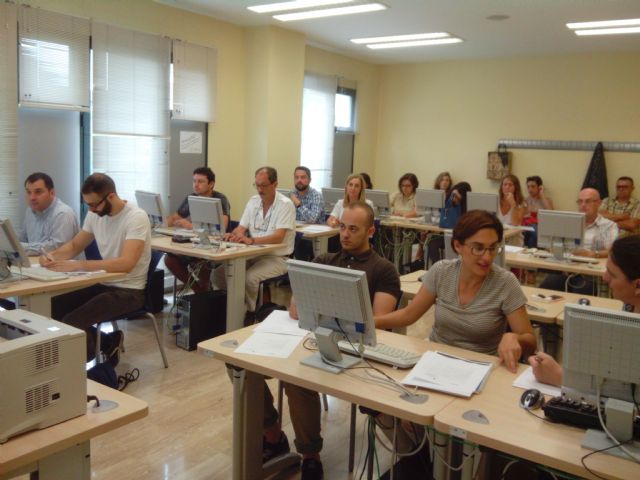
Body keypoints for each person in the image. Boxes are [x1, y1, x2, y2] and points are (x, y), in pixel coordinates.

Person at [261, 201, 401, 479]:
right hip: (317, 341)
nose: (345, 234)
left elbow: (378, 322)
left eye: (353, 229)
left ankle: (309, 455)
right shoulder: (324, 261)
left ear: (370, 231)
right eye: (342, 227)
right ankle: (273, 435)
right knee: (241, 367)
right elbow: (296, 307)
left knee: (297, 379)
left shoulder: (383, 270)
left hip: (357, 354)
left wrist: (325, 311)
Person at [376, 210, 537, 370]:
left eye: (493, 248)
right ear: (457, 245)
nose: (487, 257)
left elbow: (530, 341)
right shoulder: (441, 271)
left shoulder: (505, 282)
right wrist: (372, 322)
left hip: (481, 367)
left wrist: (515, 338)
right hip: (436, 359)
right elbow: (409, 314)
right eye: (478, 248)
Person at [41, 173, 151, 365]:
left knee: (72, 322)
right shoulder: (95, 214)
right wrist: (52, 257)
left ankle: (82, 365)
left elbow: (126, 263)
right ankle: (107, 343)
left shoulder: (136, 217)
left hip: (130, 291)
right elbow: (75, 245)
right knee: (50, 308)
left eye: (94, 204)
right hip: (104, 283)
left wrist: (79, 265)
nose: (91, 209)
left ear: (111, 196)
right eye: (87, 205)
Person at [529, 234, 640, 387]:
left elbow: (627, 390)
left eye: (612, 275)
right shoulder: (629, 306)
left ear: (638, 285)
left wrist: (560, 378)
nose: (605, 277)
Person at [213, 167, 295, 320]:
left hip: (277, 258)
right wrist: (233, 235)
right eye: (257, 185)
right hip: (253, 254)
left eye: (263, 185)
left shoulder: (285, 204)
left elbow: (278, 237)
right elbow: (241, 228)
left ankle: (250, 314)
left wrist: (252, 241)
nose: (259, 189)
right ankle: (235, 307)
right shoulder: (253, 201)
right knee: (218, 275)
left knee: (250, 278)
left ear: (275, 184)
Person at [539, 188, 618, 295]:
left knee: (581, 291)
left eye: (588, 201)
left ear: (599, 203)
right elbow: (551, 244)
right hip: (566, 268)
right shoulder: (568, 222)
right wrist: (554, 248)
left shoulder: (609, 226)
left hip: (590, 273)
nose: (583, 205)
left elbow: (612, 252)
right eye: (580, 201)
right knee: (545, 289)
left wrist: (593, 254)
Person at [164, 167, 230, 293]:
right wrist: (161, 223)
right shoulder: (192, 197)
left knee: (202, 263)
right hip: (196, 245)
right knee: (170, 260)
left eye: (200, 181)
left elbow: (221, 228)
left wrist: (190, 226)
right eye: (194, 181)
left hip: (215, 246)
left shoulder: (220, 199)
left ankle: (203, 290)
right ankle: (199, 290)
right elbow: (175, 217)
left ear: (211, 184)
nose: (196, 185)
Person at [19, 172, 80, 256]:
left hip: (64, 263)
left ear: (52, 193)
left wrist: (21, 247)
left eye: (38, 192)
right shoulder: (30, 211)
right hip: (37, 262)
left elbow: (57, 248)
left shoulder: (63, 213)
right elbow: (22, 239)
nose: (32, 198)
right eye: (29, 192)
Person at [426, 181, 472, 266]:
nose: (454, 198)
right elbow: (441, 214)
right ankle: (439, 267)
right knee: (431, 243)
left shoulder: (468, 208)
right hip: (446, 235)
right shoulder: (448, 201)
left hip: (460, 238)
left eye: (457, 196)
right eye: (453, 195)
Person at [289, 166, 324, 261]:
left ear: (309, 180)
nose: (299, 180)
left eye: (303, 177)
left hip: (313, 238)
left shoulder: (316, 195)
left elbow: (312, 219)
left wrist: (298, 204)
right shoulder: (292, 193)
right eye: (296, 177)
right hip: (295, 234)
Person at [523, 175, 554, 248]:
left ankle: (530, 251)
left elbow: (552, 214)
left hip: (540, 229)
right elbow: (521, 216)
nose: (530, 189)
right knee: (533, 229)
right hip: (526, 228)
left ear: (539, 187)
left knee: (533, 236)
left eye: (533, 186)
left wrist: (542, 195)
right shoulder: (525, 200)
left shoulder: (546, 200)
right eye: (528, 187)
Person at [498, 174, 526, 246]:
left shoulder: (521, 203)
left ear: (515, 187)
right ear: (501, 187)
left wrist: (513, 205)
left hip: (514, 238)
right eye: (505, 184)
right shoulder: (496, 200)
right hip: (498, 234)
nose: (507, 187)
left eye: (510, 185)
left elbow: (515, 223)